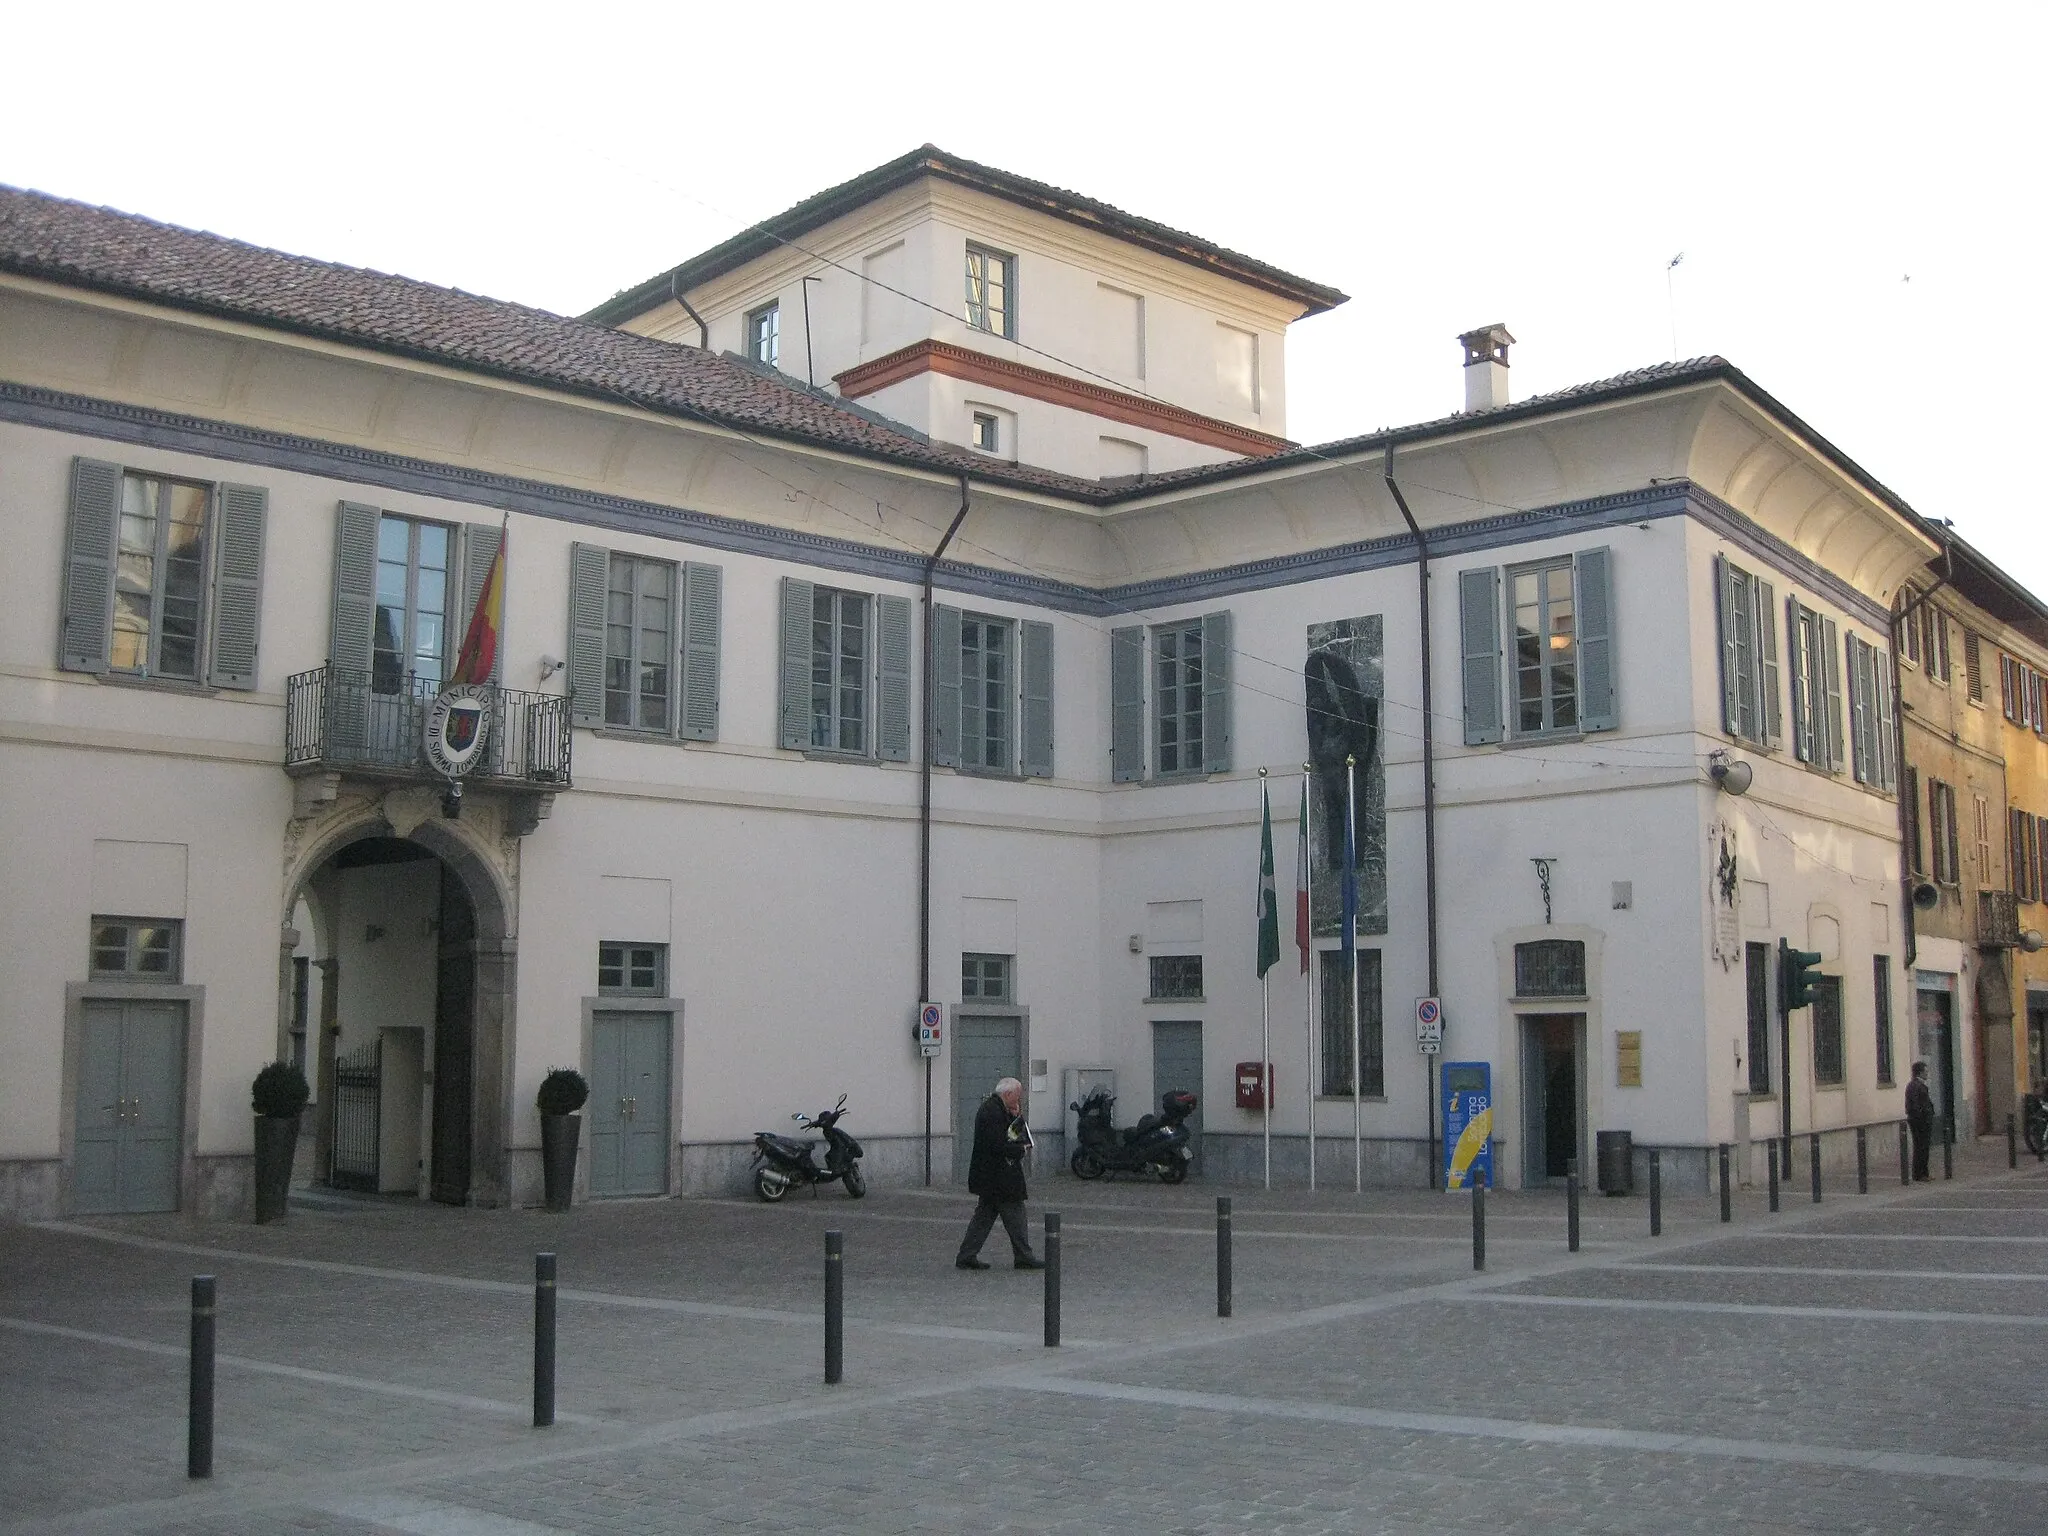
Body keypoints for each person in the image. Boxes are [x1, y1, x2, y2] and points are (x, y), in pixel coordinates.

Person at [955, 1077, 1044, 1270]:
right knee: (1016, 1215)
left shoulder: (996, 1109)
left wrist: (1015, 1116)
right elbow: (999, 1144)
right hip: (999, 1178)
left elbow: (1010, 1133)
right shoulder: (991, 1112)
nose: (1019, 1100)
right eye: (1017, 1096)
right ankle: (1023, 1255)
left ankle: (967, 1254)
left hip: (992, 1178)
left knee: (983, 1218)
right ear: (1007, 1094)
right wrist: (1020, 1150)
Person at [1905, 1060, 1935, 1181]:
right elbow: (1915, 1105)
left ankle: (1924, 1172)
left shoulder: (1919, 1085)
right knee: (1920, 1147)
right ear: (1920, 1072)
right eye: (1925, 1071)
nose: (1927, 1074)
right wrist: (1922, 1117)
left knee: (1924, 1147)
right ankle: (1919, 1174)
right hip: (1919, 1121)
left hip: (1923, 1120)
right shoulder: (1914, 1086)